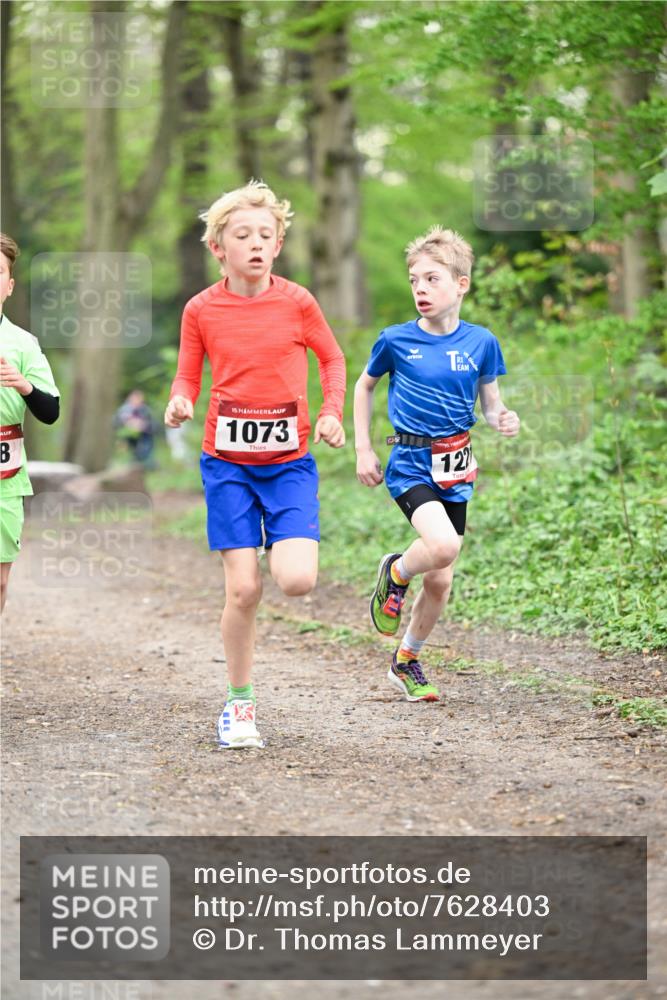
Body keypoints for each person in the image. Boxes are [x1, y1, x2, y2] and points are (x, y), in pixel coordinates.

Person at [165, 180, 346, 748]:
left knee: (296, 581)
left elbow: (332, 357)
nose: (255, 243)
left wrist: (332, 412)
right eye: (242, 235)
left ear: (279, 242)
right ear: (218, 247)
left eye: (265, 235)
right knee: (243, 590)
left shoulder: (298, 302)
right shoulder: (200, 309)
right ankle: (238, 706)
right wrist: (180, 401)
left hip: (289, 463)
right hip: (228, 465)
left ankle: (280, 538)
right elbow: (188, 375)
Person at [354, 226, 520, 702]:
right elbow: (364, 386)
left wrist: (503, 418)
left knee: (442, 579)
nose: (420, 289)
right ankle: (397, 571)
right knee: (442, 547)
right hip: (410, 462)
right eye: (414, 280)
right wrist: (364, 449)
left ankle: (406, 660)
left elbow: (490, 406)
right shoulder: (395, 340)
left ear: (461, 284)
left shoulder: (482, 343)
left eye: (431, 279)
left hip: (457, 465)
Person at [0, 233, 60, 613]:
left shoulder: (23, 344)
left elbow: (50, 411)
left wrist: (24, 386)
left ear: (8, 286)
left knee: (0, 578)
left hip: (5, 478)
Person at [114, 389, 156, 467]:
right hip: (128, 437)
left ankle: (145, 465)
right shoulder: (123, 410)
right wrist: (128, 424)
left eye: (139, 399)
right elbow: (116, 423)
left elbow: (154, 425)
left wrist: (143, 425)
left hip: (145, 436)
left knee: (145, 451)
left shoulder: (145, 410)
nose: (137, 401)